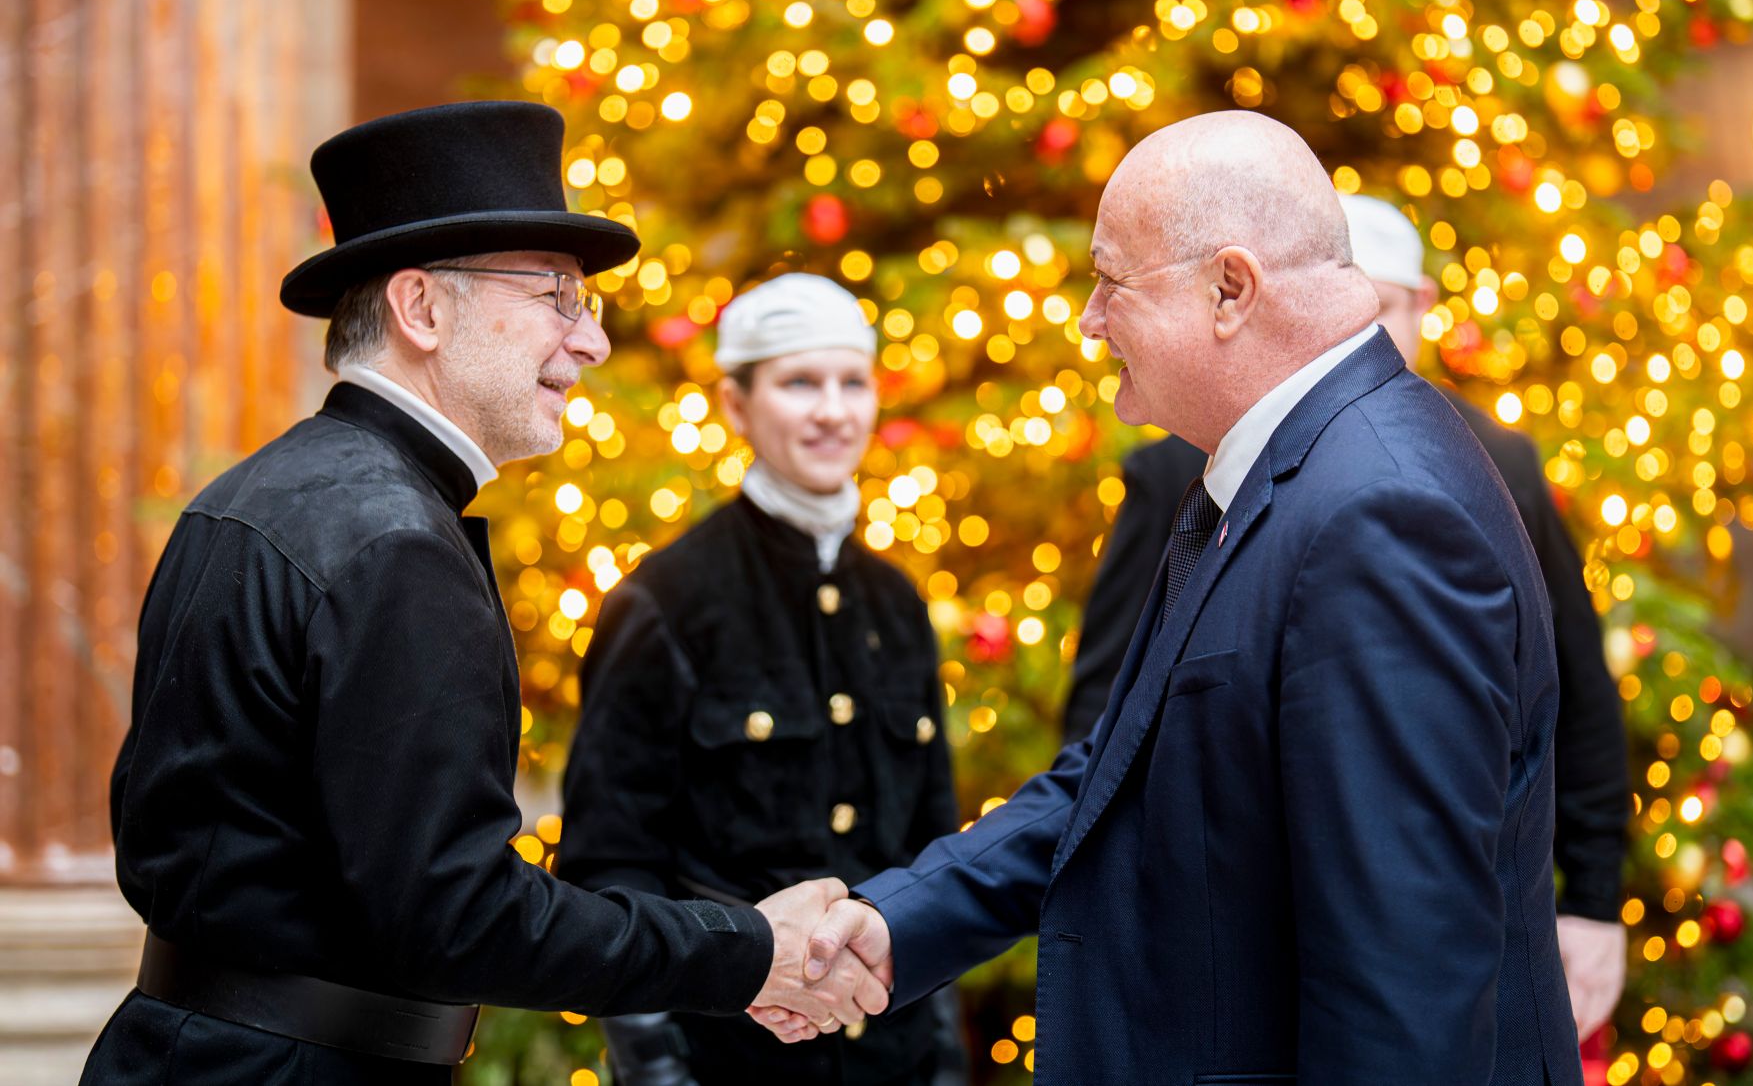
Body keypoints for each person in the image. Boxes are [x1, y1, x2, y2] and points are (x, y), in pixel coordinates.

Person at [760, 111, 1583, 1084]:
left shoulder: (1376, 513)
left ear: (1229, 288)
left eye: (1112, 281)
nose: (1090, 318)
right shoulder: (1268, 471)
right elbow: (1117, 772)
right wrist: (894, 921)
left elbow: (1400, 984)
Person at [84, 102, 886, 1086]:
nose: (589, 341)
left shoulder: (246, 499)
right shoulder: (395, 543)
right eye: (556, 294)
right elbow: (455, 916)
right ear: (421, 308)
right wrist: (747, 951)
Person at [1061, 191, 1631, 1040]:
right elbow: (1118, 713)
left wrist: (1591, 894)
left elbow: (1571, 698)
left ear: (1415, 308)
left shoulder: (1455, 469)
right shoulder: (1189, 461)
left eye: (1383, 305)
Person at [557, 274, 962, 1086]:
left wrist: (943, 1062)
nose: (832, 411)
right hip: (726, 1063)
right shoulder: (667, 599)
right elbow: (610, 866)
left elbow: (932, 858)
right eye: (799, 382)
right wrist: (659, 1072)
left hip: (891, 1062)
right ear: (736, 404)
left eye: (853, 382)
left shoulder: (898, 603)